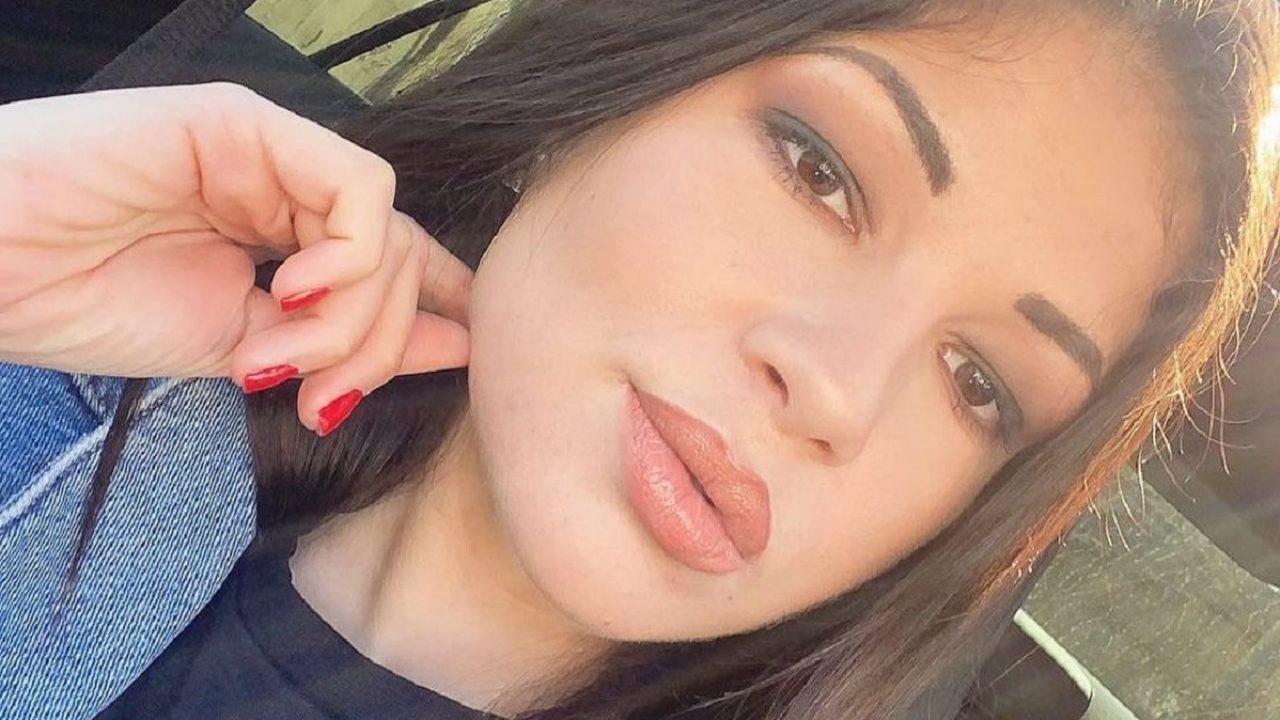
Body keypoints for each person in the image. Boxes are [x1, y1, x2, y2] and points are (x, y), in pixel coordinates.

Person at [1, 0, 1278, 718]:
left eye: (978, 386)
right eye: (818, 171)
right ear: (600, 92)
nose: (838, 390)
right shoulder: (68, 399)